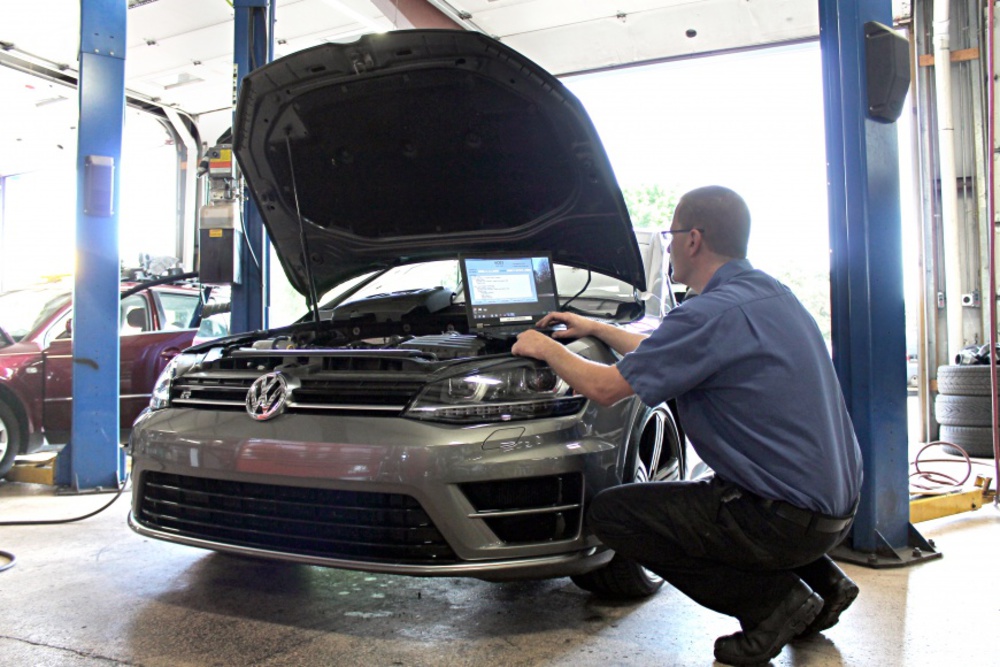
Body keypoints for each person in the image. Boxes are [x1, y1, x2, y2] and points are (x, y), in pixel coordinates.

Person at [511, 185, 863, 666]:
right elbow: (667, 355)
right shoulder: (768, 294)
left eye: (671, 234)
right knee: (730, 493)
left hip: (779, 520)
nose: (669, 245)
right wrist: (594, 329)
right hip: (833, 515)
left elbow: (608, 388)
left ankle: (773, 604)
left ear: (694, 239)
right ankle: (827, 584)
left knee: (614, 515)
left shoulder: (709, 313)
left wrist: (543, 347)